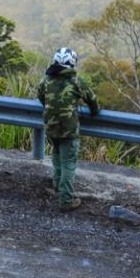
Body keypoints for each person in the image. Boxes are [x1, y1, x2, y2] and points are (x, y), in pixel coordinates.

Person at [36, 46, 100, 212]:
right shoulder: (76, 81)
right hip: (69, 130)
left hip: (51, 127)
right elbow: (92, 101)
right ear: (73, 63)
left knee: (57, 158)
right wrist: (93, 113)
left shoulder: (46, 80)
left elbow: (40, 96)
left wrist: (51, 109)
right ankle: (66, 201)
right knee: (68, 164)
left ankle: (58, 188)